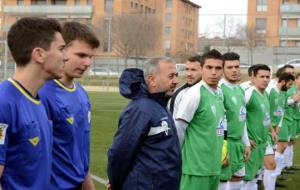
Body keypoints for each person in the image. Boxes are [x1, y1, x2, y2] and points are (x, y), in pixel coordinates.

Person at [0, 17, 65, 189]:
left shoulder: (37, 100)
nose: (65, 57)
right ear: (39, 54)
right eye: (61, 49)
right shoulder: (3, 103)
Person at [39, 21, 99, 190]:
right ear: (61, 51)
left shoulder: (81, 94)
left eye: (90, 57)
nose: (87, 63)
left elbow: (80, 151)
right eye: (81, 55)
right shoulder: (42, 94)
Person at [108, 57, 181, 190]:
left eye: (176, 75)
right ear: (152, 80)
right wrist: (116, 183)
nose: (176, 80)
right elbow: (120, 153)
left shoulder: (160, 105)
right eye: (171, 76)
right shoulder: (141, 109)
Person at [175, 49, 225, 190]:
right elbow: (179, 128)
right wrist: (175, 160)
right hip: (195, 169)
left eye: (217, 68)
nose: (213, 72)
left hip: (213, 167)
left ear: (222, 71)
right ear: (202, 69)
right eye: (209, 67)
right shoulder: (194, 94)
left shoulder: (219, 93)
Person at [218, 52, 251, 190]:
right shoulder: (219, 89)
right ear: (223, 69)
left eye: (237, 66)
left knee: (239, 179)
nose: (234, 70)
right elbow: (218, 122)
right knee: (223, 182)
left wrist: (247, 143)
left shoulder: (240, 90)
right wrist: (223, 148)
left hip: (239, 144)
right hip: (226, 144)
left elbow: (241, 118)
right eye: (230, 67)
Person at [264, 72, 295, 190]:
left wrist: (279, 126)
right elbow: (265, 112)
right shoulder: (270, 91)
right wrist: (271, 128)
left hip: (275, 130)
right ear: (283, 81)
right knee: (270, 162)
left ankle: (270, 182)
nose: (290, 87)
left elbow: (281, 111)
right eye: (289, 84)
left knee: (271, 162)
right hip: (266, 130)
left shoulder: (283, 93)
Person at [243, 64, 271, 190]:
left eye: (267, 77)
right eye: (262, 76)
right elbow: (235, 115)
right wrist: (246, 139)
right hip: (252, 146)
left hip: (262, 144)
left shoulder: (265, 94)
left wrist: (271, 131)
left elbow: (265, 116)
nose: (265, 79)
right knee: (245, 180)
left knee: (254, 179)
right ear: (253, 78)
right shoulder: (248, 94)